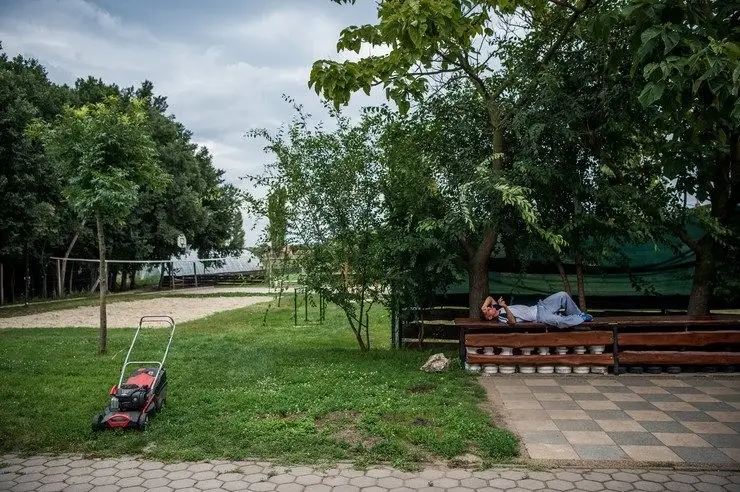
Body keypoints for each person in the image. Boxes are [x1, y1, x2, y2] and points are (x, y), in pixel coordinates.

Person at [481, 292, 593, 329]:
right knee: (559, 321)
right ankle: (581, 319)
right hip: (540, 316)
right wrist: (505, 307)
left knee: (563, 295)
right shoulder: (501, 317)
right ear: (490, 317)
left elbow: (489, 298)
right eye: (487, 311)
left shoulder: (497, 308)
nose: (490, 308)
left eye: (488, 307)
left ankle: (579, 315)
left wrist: (484, 306)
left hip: (540, 306)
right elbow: (513, 322)